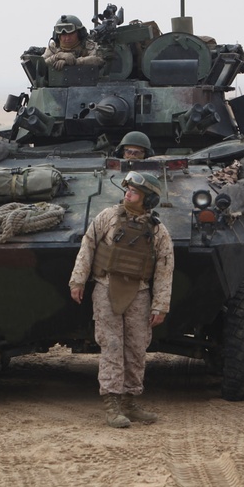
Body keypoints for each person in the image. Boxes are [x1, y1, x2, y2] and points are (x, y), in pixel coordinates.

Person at [68, 171, 174, 428]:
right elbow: (88, 245)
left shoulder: (158, 231)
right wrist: (78, 280)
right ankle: (112, 403)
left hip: (138, 292)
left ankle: (130, 400)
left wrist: (160, 305)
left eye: (135, 192)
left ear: (147, 199)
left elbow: (164, 268)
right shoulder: (108, 217)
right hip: (106, 287)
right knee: (112, 345)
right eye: (128, 190)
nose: (128, 194)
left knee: (137, 346)